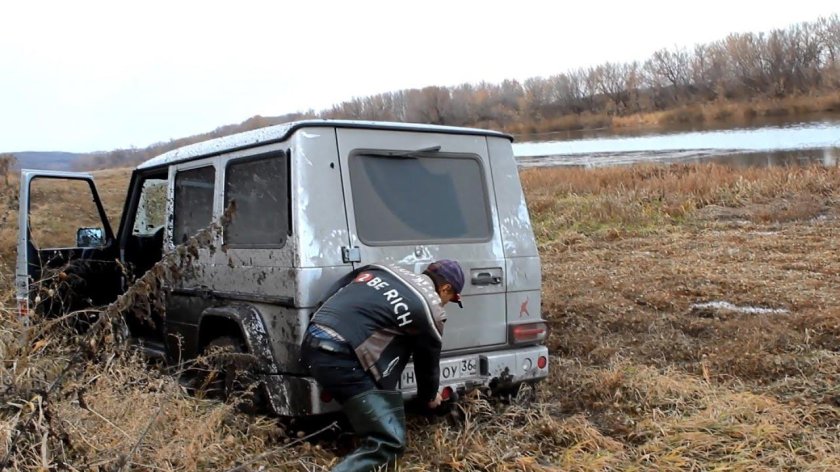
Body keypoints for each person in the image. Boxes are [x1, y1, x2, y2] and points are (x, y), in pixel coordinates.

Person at [300, 259, 465, 472]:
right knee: (389, 443)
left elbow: (337, 289)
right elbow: (427, 364)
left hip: (312, 340)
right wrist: (429, 398)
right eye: (451, 299)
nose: (445, 303)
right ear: (446, 288)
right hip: (339, 358)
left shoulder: (383, 269)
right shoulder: (430, 308)